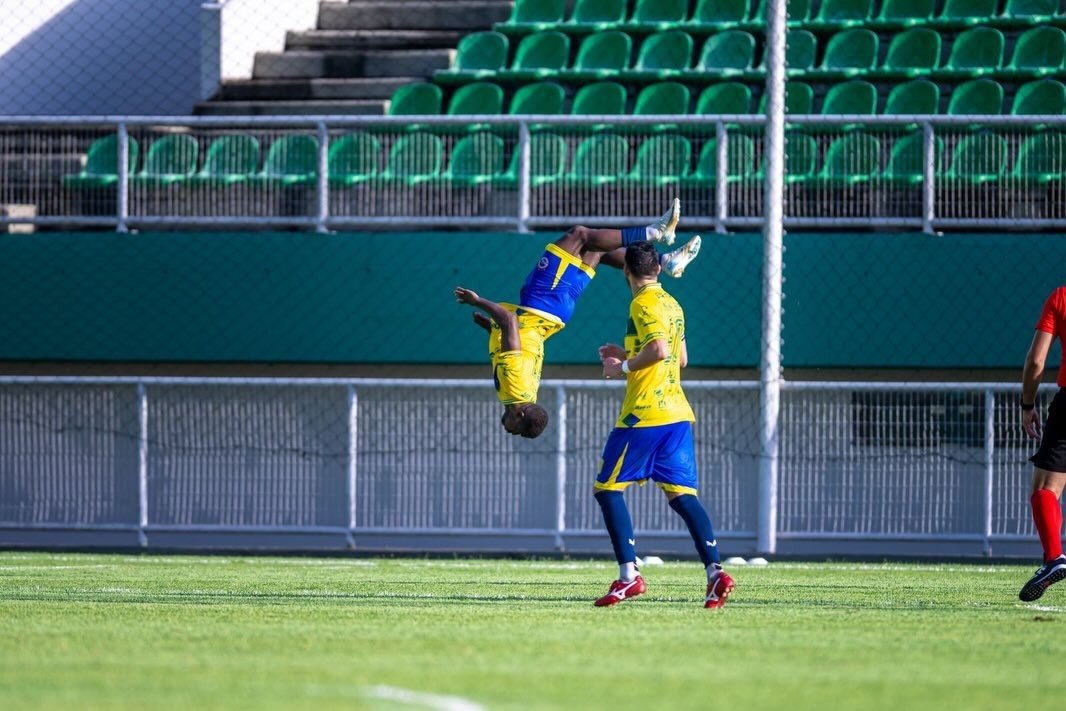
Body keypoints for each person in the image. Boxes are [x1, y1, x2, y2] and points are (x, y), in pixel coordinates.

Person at [454, 199, 702, 438]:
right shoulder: (514, 388)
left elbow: (517, 346)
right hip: (543, 303)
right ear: (520, 414)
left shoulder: (522, 394)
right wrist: (478, 301)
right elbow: (509, 322)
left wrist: (491, 328)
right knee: (579, 235)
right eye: (516, 429)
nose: (509, 430)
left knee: (597, 251)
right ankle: (654, 232)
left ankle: (666, 261)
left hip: (554, 314)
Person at [593, 240, 734, 609]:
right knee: (683, 497)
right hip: (677, 415)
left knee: (607, 489)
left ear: (627, 271)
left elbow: (661, 351)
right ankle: (715, 573)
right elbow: (680, 358)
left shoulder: (642, 302)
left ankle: (629, 577)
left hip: (645, 415)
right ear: (656, 269)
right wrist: (626, 355)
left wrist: (620, 368)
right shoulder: (673, 303)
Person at [1020, 285, 1066, 602]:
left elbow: (1037, 362)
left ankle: (1055, 558)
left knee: (1045, 488)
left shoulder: (1060, 297)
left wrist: (1027, 405)